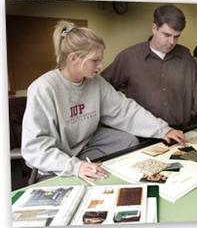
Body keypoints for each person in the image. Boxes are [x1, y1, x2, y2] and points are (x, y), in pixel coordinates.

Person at [21, 20, 185, 183]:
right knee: (82, 176)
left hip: (86, 145)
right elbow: (35, 148)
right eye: (95, 60)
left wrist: (163, 130)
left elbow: (125, 110)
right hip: (58, 156)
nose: (100, 66)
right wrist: (76, 167)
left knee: (128, 141)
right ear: (73, 58)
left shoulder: (96, 82)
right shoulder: (44, 88)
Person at [101, 4, 197, 137]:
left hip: (181, 132)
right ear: (154, 28)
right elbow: (101, 88)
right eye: (167, 35)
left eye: (176, 37)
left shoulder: (185, 56)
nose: (172, 42)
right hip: (142, 136)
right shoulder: (129, 57)